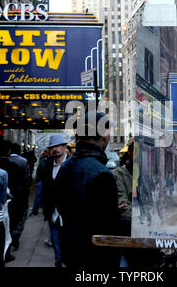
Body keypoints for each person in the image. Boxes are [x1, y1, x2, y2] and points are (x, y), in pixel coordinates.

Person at [56, 111, 120, 267]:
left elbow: (62, 206)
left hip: (72, 251)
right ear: (104, 136)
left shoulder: (65, 166)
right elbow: (108, 226)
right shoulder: (102, 174)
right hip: (96, 257)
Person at [37, 134, 68, 267]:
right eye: (52, 147)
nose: (54, 149)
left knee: (69, 252)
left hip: (68, 217)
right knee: (57, 252)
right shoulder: (47, 165)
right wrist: (45, 209)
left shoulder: (72, 165)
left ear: (65, 147)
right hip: (52, 216)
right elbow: (44, 188)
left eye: (57, 146)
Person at [7, 143, 31, 251]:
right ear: (20, 151)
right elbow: (27, 179)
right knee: (21, 215)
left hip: (9, 193)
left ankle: (10, 233)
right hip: (21, 193)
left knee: (10, 214)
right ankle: (16, 235)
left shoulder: (6, 161)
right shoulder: (24, 161)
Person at [112, 137, 134, 236]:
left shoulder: (154, 175)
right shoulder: (118, 174)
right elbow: (124, 210)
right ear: (130, 152)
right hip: (127, 233)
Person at [30, 149, 50, 216]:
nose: (48, 153)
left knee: (43, 195)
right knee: (38, 195)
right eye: (47, 152)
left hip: (48, 180)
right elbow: (38, 171)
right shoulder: (43, 161)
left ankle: (44, 209)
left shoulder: (51, 161)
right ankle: (35, 209)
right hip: (43, 179)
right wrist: (37, 180)